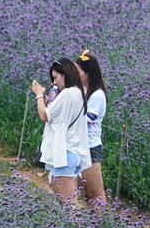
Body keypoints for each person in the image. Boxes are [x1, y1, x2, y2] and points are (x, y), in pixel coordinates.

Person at [31, 59, 90, 202]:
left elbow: (44, 115)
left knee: (69, 207)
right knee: (68, 204)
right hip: (73, 154)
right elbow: (56, 115)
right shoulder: (77, 93)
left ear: (66, 74)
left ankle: (80, 225)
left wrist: (39, 94)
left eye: (56, 77)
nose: (54, 83)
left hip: (65, 156)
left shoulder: (68, 93)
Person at [75, 50, 107, 205]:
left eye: (78, 71)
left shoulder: (97, 95)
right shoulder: (80, 91)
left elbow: (88, 119)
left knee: (95, 193)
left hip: (90, 147)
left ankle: (102, 226)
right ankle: (91, 227)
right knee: (83, 192)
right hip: (77, 145)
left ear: (88, 73)